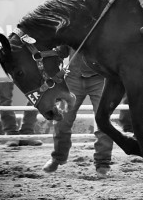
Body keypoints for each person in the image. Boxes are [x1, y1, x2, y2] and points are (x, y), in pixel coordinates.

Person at [43, 48, 113, 178]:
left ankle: (103, 163)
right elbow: (61, 51)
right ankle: (58, 157)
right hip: (73, 77)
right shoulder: (71, 27)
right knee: (62, 120)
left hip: (101, 77)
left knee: (104, 121)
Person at [0, 0, 39, 135]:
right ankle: (10, 130)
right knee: (5, 93)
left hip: (27, 53)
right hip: (10, 53)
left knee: (36, 92)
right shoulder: (5, 1)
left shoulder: (34, 3)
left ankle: (26, 130)